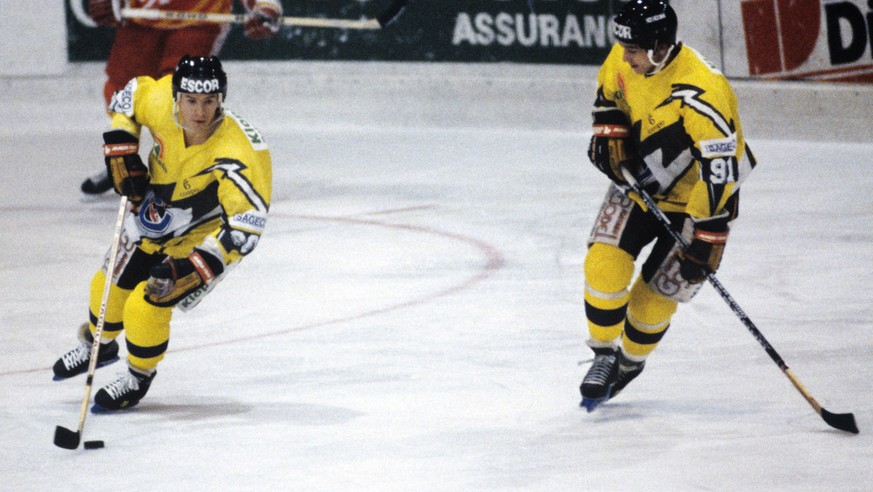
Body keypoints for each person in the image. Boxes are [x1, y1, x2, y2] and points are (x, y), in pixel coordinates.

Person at [54, 55, 272, 411]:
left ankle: (137, 377)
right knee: (109, 285)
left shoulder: (238, 151)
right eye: (191, 100)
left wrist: (200, 266)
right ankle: (99, 344)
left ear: (221, 99)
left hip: (200, 236)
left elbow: (247, 223)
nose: (199, 112)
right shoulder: (158, 101)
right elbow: (129, 96)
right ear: (176, 97)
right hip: (153, 211)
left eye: (209, 101)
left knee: (147, 304)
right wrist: (121, 145)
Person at [579, 0, 757, 411]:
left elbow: (721, 169)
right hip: (640, 183)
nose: (625, 57)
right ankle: (604, 355)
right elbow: (609, 95)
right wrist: (608, 129)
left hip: (702, 203)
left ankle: (629, 362)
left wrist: (706, 231)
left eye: (636, 51)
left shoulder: (703, 90)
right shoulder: (626, 55)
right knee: (603, 265)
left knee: (653, 299)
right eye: (623, 48)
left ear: (661, 47)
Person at [81, 0, 283, 195]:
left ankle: (187, 172)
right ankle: (123, 161)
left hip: (199, 17)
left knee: (179, 92)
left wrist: (266, 6)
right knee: (121, 91)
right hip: (141, 16)